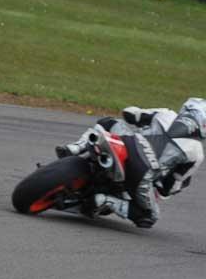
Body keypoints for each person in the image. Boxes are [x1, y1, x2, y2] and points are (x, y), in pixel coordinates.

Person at [56, 97, 205, 228]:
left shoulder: (166, 114)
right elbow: (170, 187)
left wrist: (141, 120)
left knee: (109, 122)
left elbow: (130, 113)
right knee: (150, 216)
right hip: (143, 174)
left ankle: (76, 147)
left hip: (127, 144)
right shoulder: (196, 153)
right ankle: (104, 200)